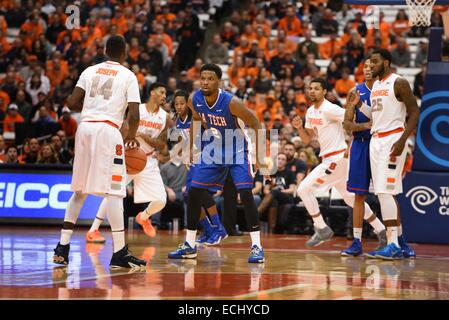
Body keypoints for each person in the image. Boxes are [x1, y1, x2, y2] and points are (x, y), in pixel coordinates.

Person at [52, 35, 146, 269]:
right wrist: (131, 136)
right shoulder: (128, 75)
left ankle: (62, 247)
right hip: (107, 130)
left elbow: (72, 104)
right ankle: (119, 252)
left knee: (79, 190)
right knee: (114, 193)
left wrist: (90, 104)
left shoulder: (89, 70)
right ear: (124, 53)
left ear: (105, 50)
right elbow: (134, 115)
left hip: (84, 129)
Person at [168, 64, 267, 263]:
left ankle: (257, 246)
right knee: (194, 192)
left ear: (219, 81)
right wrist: (191, 149)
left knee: (246, 193)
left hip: (238, 150)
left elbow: (256, 123)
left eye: (210, 78)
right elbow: (195, 120)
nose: (205, 82)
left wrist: (259, 157)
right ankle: (189, 245)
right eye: (202, 78)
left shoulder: (232, 102)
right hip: (214, 149)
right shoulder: (194, 99)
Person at [292, 78, 386, 247]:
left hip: (337, 159)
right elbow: (307, 140)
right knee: (350, 200)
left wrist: (351, 143)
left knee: (304, 189)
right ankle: (381, 230)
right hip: (330, 159)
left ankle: (321, 228)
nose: (312, 91)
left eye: (316, 89)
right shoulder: (311, 112)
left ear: (324, 92)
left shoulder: (330, 108)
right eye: (310, 88)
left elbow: (351, 119)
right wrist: (299, 128)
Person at [347, 49, 419, 259]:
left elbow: (414, 112)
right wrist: (359, 105)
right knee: (382, 192)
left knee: (386, 192)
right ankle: (398, 243)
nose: (371, 66)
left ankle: (394, 244)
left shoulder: (399, 82)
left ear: (386, 62)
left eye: (375, 62)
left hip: (392, 139)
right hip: (376, 140)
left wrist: (403, 140)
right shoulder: (377, 85)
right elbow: (375, 116)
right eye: (369, 63)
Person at [85, 82, 169, 243]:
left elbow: (161, 144)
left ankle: (143, 217)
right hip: (129, 156)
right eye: (162, 92)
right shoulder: (138, 109)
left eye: (165, 93)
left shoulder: (165, 117)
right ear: (152, 92)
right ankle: (93, 230)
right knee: (113, 194)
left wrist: (143, 136)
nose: (164, 96)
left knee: (161, 200)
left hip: (148, 161)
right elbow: (123, 131)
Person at [342, 57, 387, 256]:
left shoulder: (384, 90)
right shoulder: (355, 91)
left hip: (380, 144)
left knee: (386, 193)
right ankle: (357, 242)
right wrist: (364, 126)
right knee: (358, 195)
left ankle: (393, 238)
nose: (368, 69)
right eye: (365, 67)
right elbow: (346, 124)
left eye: (371, 66)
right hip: (360, 145)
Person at [173, 89, 228, 245]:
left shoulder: (197, 117)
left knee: (199, 193)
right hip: (192, 160)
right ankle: (208, 229)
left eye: (182, 103)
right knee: (188, 196)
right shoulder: (177, 120)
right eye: (176, 104)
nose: (179, 106)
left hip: (206, 157)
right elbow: (182, 140)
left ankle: (218, 228)